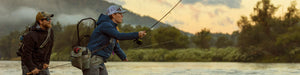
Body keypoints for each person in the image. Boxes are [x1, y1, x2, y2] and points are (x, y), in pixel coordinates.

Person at [84, 5, 147, 75]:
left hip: (99, 61)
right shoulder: (105, 25)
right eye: (120, 14)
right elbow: (119, 36)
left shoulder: (111, 27)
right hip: (93, 60)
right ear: (113, 15)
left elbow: (115, 45)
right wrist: (137, 34)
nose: (122, 16)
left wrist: (123, 57)